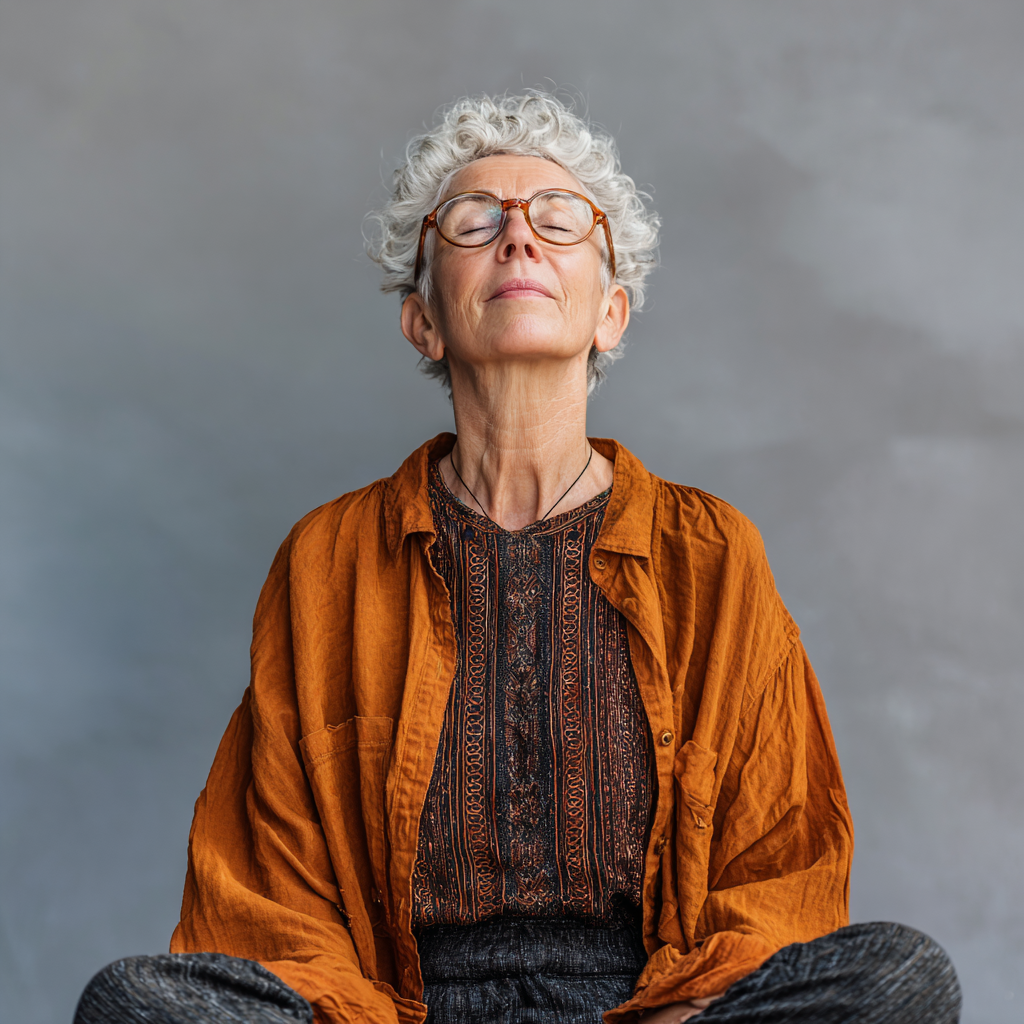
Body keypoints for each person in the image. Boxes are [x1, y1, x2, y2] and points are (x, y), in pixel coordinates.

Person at [75, 92, 961, 1024]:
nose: (519, 237)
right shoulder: (326, 561)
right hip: (399, 1010)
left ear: (610, 312)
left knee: (899, 977)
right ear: (423, 320)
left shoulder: (711, 553)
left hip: (654, 1011)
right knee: (133, 1002)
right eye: (474, 221)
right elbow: (270, 899)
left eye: (558, 218)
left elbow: (780, 875)